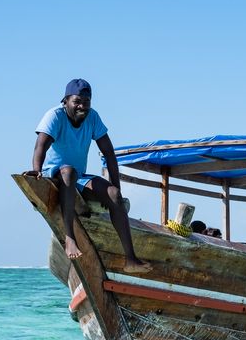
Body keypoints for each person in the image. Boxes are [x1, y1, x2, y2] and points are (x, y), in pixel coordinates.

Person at [24, 79, 151, 274]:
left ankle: (130, 259)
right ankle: (70, 238)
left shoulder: (92, 118)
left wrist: (117, 189)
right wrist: (36, 169)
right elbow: (40, 145)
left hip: (78, 176)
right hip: (54, 173)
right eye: (77, 101)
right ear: (65, 101)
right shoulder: (54, 116)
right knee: (68, 171)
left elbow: (109, 153)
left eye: (86, 101)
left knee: (113, 194)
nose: (82, 106)